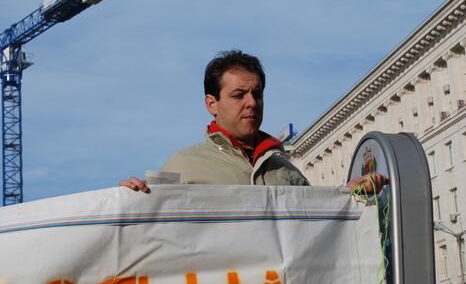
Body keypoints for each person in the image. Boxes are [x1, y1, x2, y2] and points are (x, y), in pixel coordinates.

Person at [120, 50, 387, 193]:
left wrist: (347, 194)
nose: (251, 102)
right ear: (211, 104)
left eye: (256, 94)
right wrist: (128, 198)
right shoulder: (183, 166)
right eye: (239, 95)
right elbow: (149, 229)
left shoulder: (287, 170)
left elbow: (316, 225)